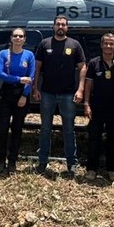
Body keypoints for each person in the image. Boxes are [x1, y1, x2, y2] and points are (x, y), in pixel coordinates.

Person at [32, 16, 86, 176]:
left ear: (67, 27)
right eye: (58, 24)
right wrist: (35, 88)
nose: (60, 27)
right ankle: (42, 162)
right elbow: (37, 67)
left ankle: (71, 164)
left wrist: (80, 89)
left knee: (69, 129)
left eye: (63, 24)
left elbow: (83, 67)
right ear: (53, 26)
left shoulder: (75, 45)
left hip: (68, 94)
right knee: (45, 128)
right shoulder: (44, 44)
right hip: (47, 93)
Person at [83, 33, 114, 180]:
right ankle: (91, 169)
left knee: (113, 139)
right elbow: (88, 85)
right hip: (96, 107)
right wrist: (86, 104)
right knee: (94, 139)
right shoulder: (93, 63)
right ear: (101, 45)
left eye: (111, 44)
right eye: (106, 43)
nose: (108, 46)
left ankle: (112, 170)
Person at [0, 28, 36, 174]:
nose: (18, 38)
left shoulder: (29, 55)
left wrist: (24, 95)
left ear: (25, 39)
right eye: (15, 36)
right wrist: (18, 79)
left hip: (21, 95)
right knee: (2, 129)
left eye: (21, 36)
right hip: (6, 94)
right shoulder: (3, 54)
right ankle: (1, 160)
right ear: (11, 38)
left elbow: (31, 78)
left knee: (17, 129)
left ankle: (12, 161)